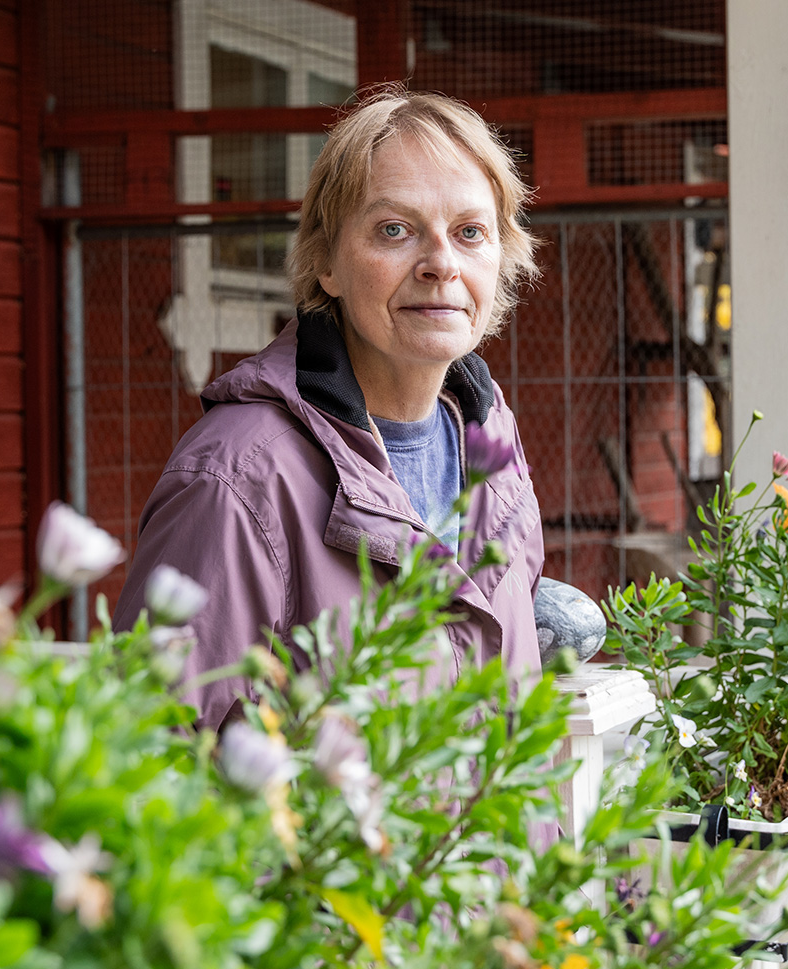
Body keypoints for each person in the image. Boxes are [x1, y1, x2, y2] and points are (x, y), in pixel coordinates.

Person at [114, 90, 545, 731]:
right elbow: (149, 754)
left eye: (470, 232)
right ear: (326, 266)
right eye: (394, 230)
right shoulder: (239, 479)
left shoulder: (493, 449)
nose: (441, 264)